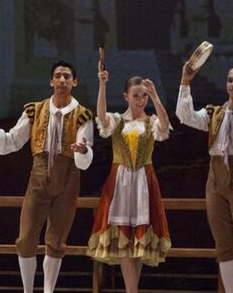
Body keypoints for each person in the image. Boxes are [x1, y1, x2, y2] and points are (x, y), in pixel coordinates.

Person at [0, 61, 94, 293]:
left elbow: (85, 153)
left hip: (68, 178)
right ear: (51, 81)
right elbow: (11, 141)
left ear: (74, 82)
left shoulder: (83, 115)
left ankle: (48, 290)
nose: (62, 80)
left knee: (56, 240)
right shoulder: (35, 111)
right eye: (58, 76)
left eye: (67, 77)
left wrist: (83, 151)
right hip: (38, 178)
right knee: (26, 238)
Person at [176, 62, 233, 293]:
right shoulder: (215, 113)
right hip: (214, 180)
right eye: (230, 80)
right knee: (223, 248)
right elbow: (185, 116)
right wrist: (185, 81)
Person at [86, 62, 172, 293]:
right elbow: (101, 116)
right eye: (136, 96)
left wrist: (156, 96)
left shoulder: (151, 122)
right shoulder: (117, 121)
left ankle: (132, 290)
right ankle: (131, 290)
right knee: (124, 236)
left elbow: (164, 125)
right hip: (121, 182)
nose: (141, 100)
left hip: (144, 182)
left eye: (144, 96)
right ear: (126, 96)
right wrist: (102, 84)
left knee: (139, 240)